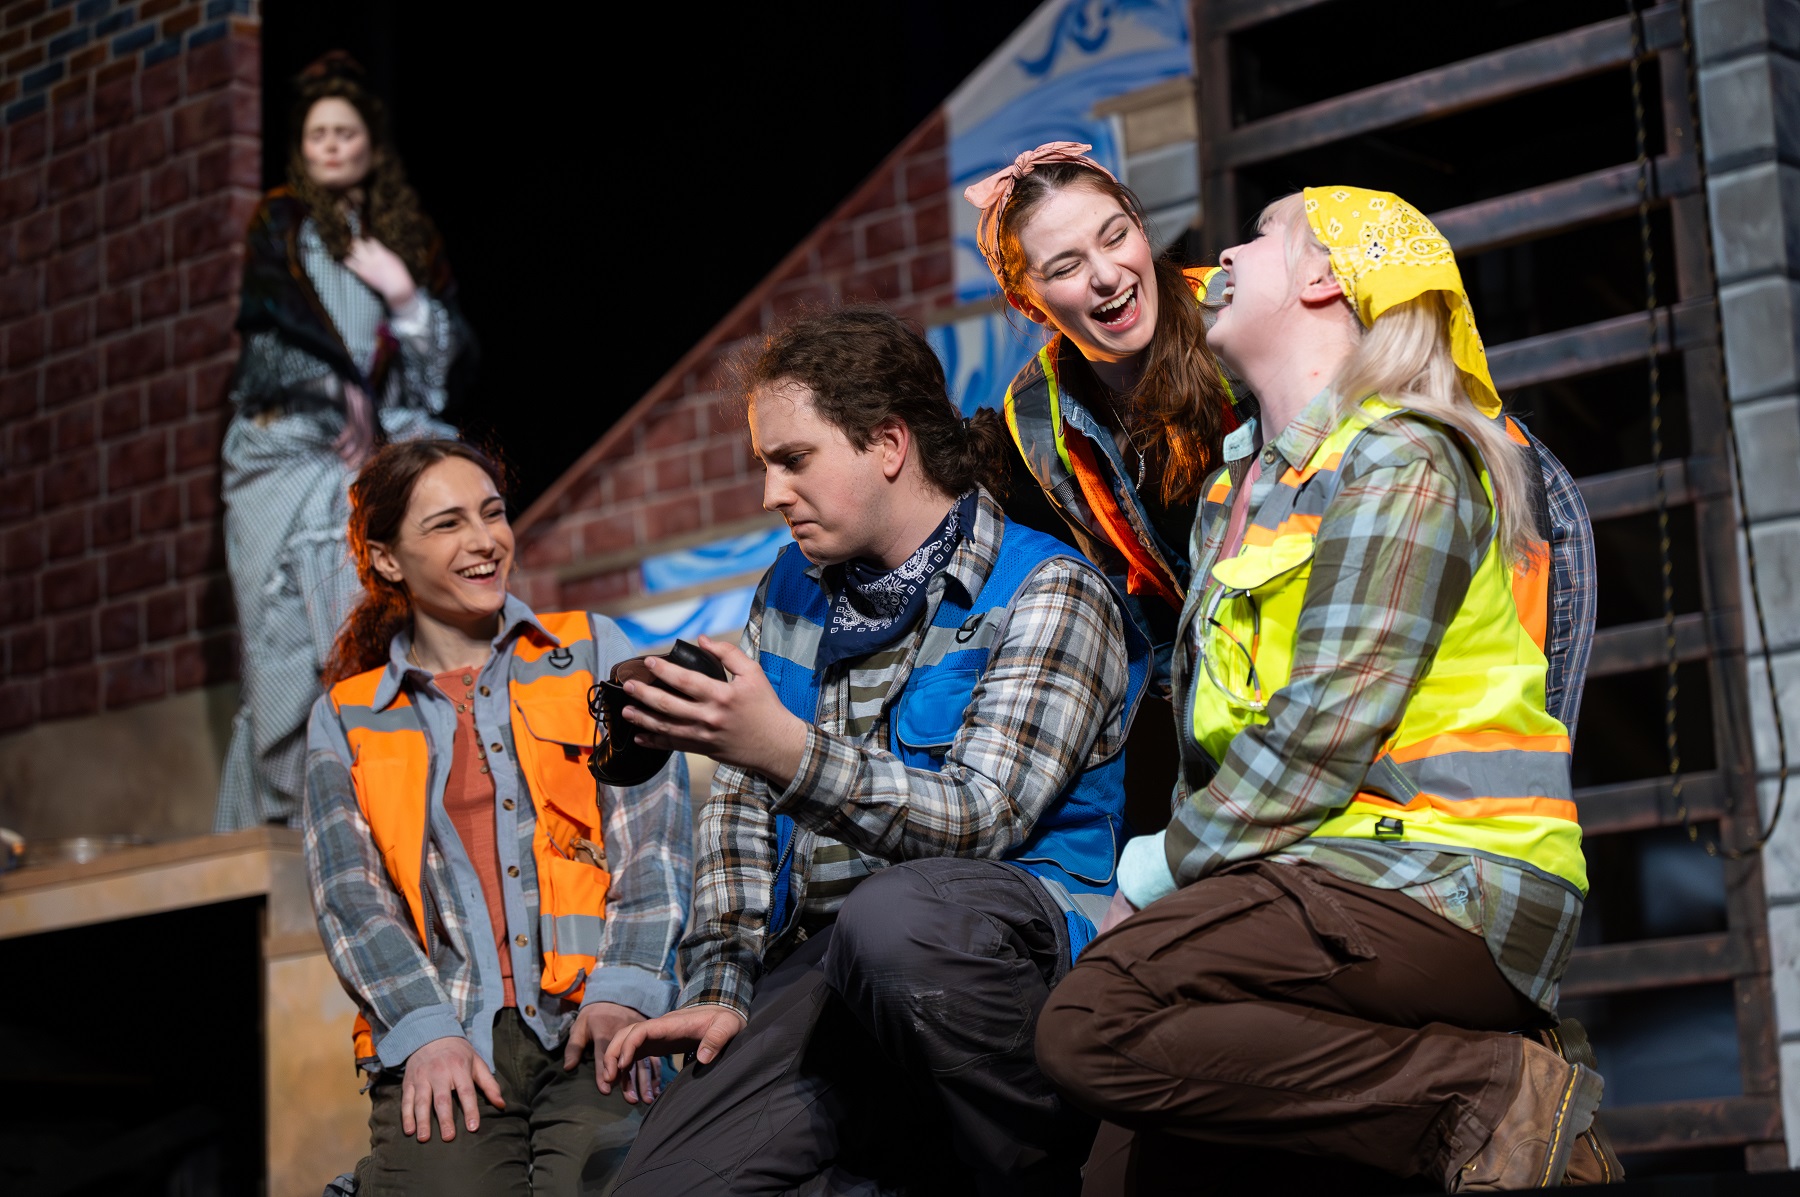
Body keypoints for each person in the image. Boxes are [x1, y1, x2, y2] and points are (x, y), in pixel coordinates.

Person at [1034, 188, 1616, 1192]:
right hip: (1309, 878)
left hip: (1441, 879)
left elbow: (1319, 736)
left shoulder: (1403, 460)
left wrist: (1144, 886)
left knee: (1093, 1023)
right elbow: (1223, 752)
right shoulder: (1236, 491)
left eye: (1259, 235)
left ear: (1321, 279)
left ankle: (1485, 1094)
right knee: (1123, 1167)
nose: (1222, 249)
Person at [598, 306, 1149, 1195]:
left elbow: (982, 819)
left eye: (794, 460)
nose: (773, 493)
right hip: (827, 973)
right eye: (766, 465)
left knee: (894, 920)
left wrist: (782, 748)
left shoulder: (1046, 590)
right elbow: (739, 819)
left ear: (888, 443)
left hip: (989, 966)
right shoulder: (788, 589)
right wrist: (721, 988)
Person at [967, 145, 1595, 735]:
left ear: (1138, 223)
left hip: (1479, 516)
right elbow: (1143, 600)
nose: (1107, 276)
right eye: (1068, 267)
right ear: (1027, 301)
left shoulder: (1237, 308)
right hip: (1299, 618)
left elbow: (1393, 440)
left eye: (1115, 236)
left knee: (1495, 766)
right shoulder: (1037, 413)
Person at [302, 440, 690, 1194]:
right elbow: (350, 898)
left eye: (492, 513)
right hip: (449, 1035)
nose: (484, 540)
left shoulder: (589, 652)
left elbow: (657, 836)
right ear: (387, 560)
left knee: (615, 1181)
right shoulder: (347, 718)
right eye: (448, 524)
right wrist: (424, 1033)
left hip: (594, 1020)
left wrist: (629, 987)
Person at [216, 53, 470, 831]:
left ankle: (339, 807)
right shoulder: (284, 225)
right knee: (279, 634)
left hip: (360, 465)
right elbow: (265, 337)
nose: (329, 144)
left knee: (347, 624)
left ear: (368, 144)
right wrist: (338, 387)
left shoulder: (403, 237)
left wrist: (403, 295)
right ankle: (272, 819)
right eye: (317, 132)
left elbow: (434, 378)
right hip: (285, 453)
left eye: (344, 131)